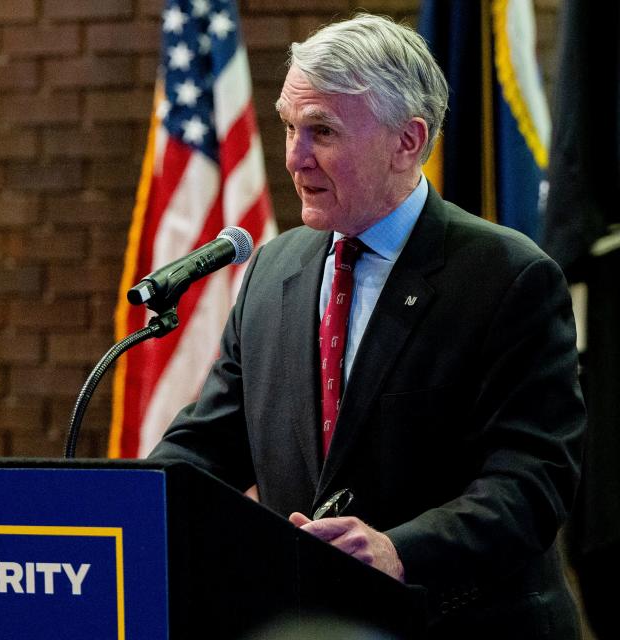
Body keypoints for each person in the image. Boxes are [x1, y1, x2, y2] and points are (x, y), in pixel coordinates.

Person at [148, 13, 585, 638]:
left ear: (407, 140)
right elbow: (205, 449)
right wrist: (125, 509)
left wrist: (400, 550)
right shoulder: (273, 269)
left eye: (321, 131)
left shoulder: (509, 277)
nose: (295, 158)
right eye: (290, 127)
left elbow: (533, 481)